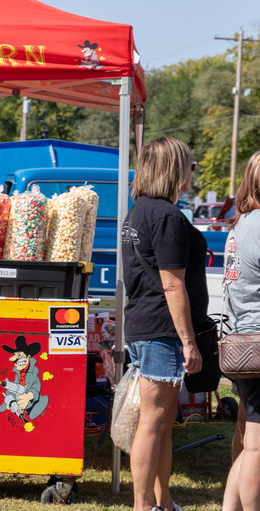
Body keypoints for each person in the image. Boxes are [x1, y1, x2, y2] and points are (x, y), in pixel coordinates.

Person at [120, 136, 205, 511]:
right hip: (161, 329)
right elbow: (172, 284)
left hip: (144, 325)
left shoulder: (138, 211)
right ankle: (143, 506)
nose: (192, 171)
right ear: (174, 169)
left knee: (162, 419)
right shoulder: (167, 216)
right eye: (189, 164)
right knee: (153, 421)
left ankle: (163, 501)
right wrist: (189, 341)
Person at [222, 150, 260, 511]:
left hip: (242, 343)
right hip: (258, 343)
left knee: (249, 443)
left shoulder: (242, 224)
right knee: (257, 448)